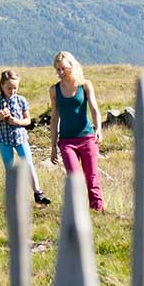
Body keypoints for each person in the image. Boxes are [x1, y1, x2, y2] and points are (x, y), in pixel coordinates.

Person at [0, 70, 52, 205]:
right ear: (1, 85)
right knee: (10, 168)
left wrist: (17, 122)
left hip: (20, 139)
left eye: (15, 88)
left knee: (29, 164)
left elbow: (28, 121)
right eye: (9, 88)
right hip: (4, 140)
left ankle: (38, 193)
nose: (12, 91)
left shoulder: (21, 100)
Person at [49, 50, 104, 212]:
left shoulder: (85, 85)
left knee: (92, 177)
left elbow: (94, 109)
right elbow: (54, 118)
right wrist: (53, 146)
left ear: (71, 66)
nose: (60, 72)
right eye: (57, 69)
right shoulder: (54, 90)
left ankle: (97, 211)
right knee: (74, 178)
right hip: (66, 141)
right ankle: (79, 212)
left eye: (63, 68)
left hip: (87, 138)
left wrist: (98, 128)